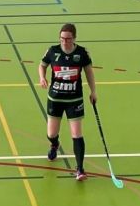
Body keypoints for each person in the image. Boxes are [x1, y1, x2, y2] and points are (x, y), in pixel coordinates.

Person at [38, 23, 97, 181]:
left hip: (74, 100)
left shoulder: (82, 53)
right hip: (55, 99)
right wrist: (42, 77)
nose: (65, 41)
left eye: (68, 39)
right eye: (62, 38)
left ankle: (80, 169)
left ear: (74, 38)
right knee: (51, 133)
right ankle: (54, 145)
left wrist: (93, 91)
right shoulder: (52, 51)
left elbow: (89, 72)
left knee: (77, 134)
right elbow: (42, 65)